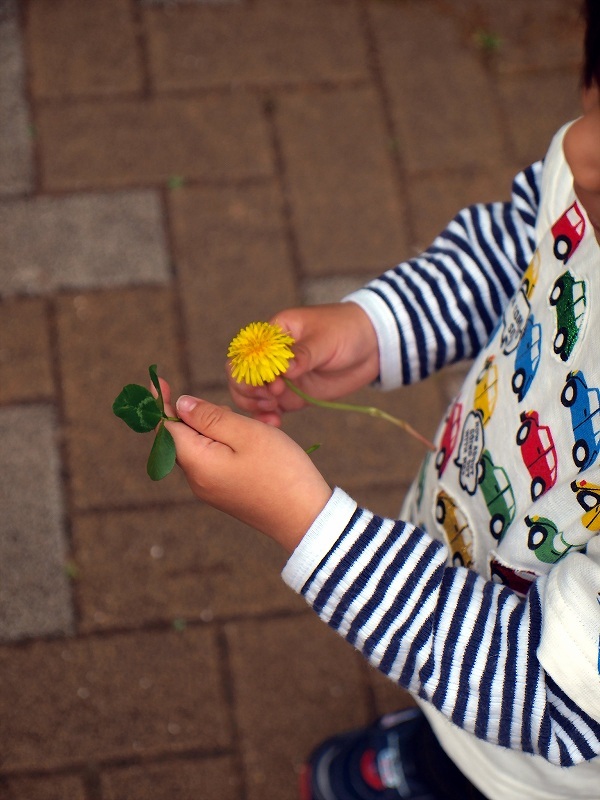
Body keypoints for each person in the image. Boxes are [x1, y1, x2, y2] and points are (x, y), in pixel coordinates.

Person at [157, 2, 600, 797]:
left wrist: (311, 526)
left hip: (536, 759)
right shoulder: (589, 167)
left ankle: (434, 770)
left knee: (479, 753)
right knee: (445, 686)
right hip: (470, 548)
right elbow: (520, 243)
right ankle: (435, 724)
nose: (578, 155)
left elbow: (554, 695)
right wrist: (375, 327)